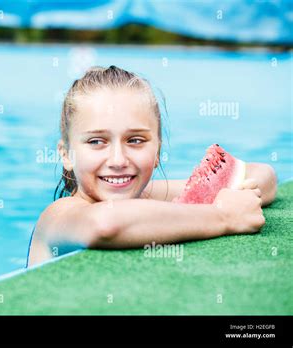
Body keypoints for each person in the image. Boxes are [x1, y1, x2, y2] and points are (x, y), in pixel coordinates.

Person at [27, 65, 277, 267]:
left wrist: (238, 194)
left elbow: (262, 176)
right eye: (96, 141)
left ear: (157, 151)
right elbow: (105, 224)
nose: (118, 160)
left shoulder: (150, 195)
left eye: (135, 140)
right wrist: (224, 216)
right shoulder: (57, 216)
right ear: (66, 154)